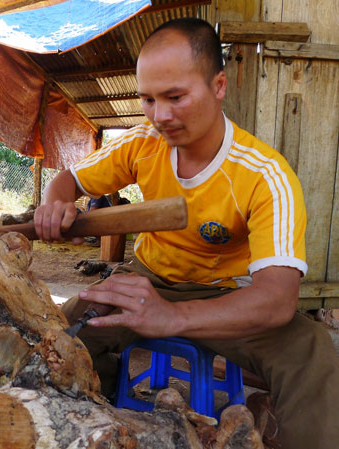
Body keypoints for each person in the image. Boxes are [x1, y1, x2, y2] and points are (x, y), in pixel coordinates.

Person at [33, 17, 339, 449]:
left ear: (218, 86)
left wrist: (173, 316)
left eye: (176, 96)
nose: (160, 115)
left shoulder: (266, 176)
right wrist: (54, 204)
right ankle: (97, 419)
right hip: (145, 281)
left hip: (223, 296)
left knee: (313, 353)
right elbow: (68, 178)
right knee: (56, 340)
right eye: (148, 99)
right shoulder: (141, 143)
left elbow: (277, 298)